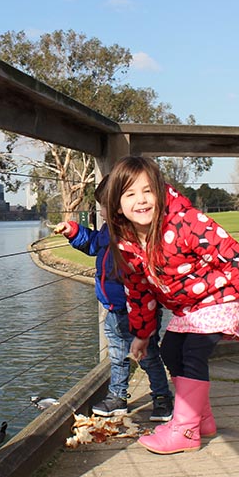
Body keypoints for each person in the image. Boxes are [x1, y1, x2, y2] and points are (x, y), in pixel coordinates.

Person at [103, 156, 239, 454]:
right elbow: (139, 291)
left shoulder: (185, 222)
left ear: (159, 191)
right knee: (170, 349)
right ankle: (200, 419)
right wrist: (142, 334)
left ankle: (185, 430)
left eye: (147, 191)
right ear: (117, 205)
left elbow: (232, 255)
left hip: (220, 297)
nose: (141, 201)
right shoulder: (127, 243)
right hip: (189, 309)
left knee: (193, 352)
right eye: (130, 194)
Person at [53, 176, 173, 420]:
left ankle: (162, 399)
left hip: (141, 311)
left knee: (149, 357)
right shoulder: (108, 231)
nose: (103, 212)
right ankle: (118, 397)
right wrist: (73, 231)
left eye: (106, 206)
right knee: (117, 357)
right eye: (101, 207)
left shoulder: (139, 234)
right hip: (114, 310)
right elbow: (94, 244)